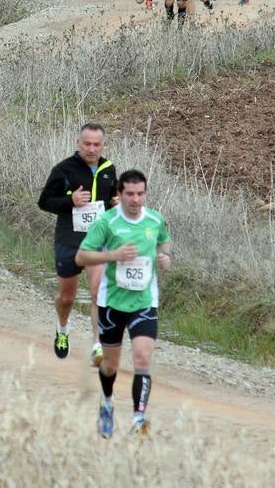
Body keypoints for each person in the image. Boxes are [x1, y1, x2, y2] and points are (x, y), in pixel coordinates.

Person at [76, 170, 172, 438]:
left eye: (140, 193)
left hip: (144, 301)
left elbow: (164, 243)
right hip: (112, 303)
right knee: (110, 365)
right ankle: (106, 403)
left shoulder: (155, 220)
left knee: (142, 357)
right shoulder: (106, 222)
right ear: (119, 194)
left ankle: (139, 419)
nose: (135, 199)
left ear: (145, 193)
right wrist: (115, 255)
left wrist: (164, 258)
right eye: (129, 194)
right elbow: (82, 257)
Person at [38, 123, 118, 366]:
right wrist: (70, 200)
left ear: (103, 145)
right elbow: (44, 202)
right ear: (78, 143)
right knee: (67, 298)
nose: (91, 149)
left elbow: (111, 197)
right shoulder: (63, 169)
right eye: (87, 144)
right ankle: (62, 328)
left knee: (98, 293)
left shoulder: (108, 169)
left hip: (98, 242)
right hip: (70, 241)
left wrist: (115, 203)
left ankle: (97, 346)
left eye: (96, 144)